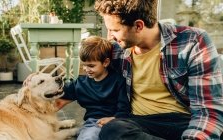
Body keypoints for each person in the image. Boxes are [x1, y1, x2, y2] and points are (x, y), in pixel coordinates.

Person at [94, 0, 223, 140]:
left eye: (115, 30)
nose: (109, 36)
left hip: (184, 121)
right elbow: (90, 69)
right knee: (113, 129)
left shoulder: (193, 41)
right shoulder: (116, 50)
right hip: (141, 123)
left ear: (138, 26)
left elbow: (208, 109)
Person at [55, 36, 130, 140]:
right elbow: (58, 95)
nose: (86, 69)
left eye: (91, 66)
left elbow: (124, 108)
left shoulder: (118, 81)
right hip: (94, 123)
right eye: (84, 65)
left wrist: (114, 119)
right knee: (89, 136)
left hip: (116, 123)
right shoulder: (80, 83)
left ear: (105, 62)